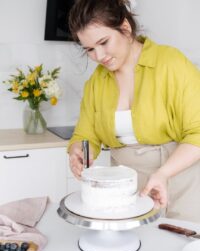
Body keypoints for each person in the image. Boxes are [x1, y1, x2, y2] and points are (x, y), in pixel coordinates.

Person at [67, 0, 200, 222]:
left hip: (180, 180)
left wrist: (163, 174)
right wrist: (78, 153)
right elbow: (85, 135)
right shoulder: (96, 83)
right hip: (126, 190)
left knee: (181, 246)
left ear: (125, 28)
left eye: (104, 42)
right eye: (89, 49)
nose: (99, 56)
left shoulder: (171, 63)